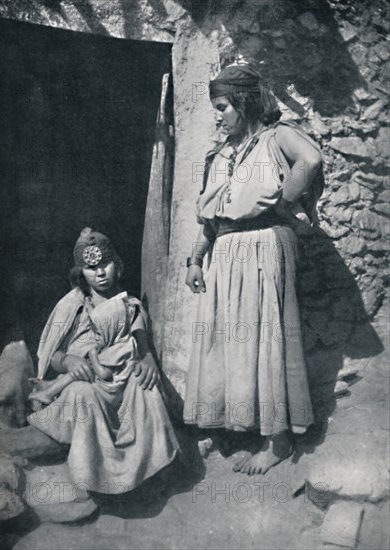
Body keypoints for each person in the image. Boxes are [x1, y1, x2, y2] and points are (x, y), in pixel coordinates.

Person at [183, 61, 323, 475]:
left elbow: (310, 160)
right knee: (226, 342)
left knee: (267, 339)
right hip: (224, 253)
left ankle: (278, 440)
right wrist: (196, 258)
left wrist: (283, 202)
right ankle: (233, 425)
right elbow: (212, 218)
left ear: (244, 103)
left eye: (224, 106)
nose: (219, 115)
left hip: (263, 246)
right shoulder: (220, 154)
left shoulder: (275, 137)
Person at [28, 228, 179, 496]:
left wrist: (146, 360)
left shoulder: (129, 305)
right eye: (91, 268)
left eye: (106, 264)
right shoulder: (73, 307)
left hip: (121, 384)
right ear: (81, 274)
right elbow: (52, 354)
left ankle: (151, 475)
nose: (100, 273)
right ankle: (93, 478)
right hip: (88, 385)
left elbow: (141, 343)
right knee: (82, 393)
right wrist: (70, 360)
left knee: (147, 386)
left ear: (117, 266)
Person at [29, 292, 138, 407]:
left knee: (80, 375)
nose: (95, 338)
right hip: (103, 384)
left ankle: (48, 393)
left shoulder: (119, 348)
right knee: (80, 371)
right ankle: (51, 385)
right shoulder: (75, 304)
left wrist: (94, 358)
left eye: (99, 334)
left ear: (112, 330)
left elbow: (105, 374)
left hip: (110, 391)